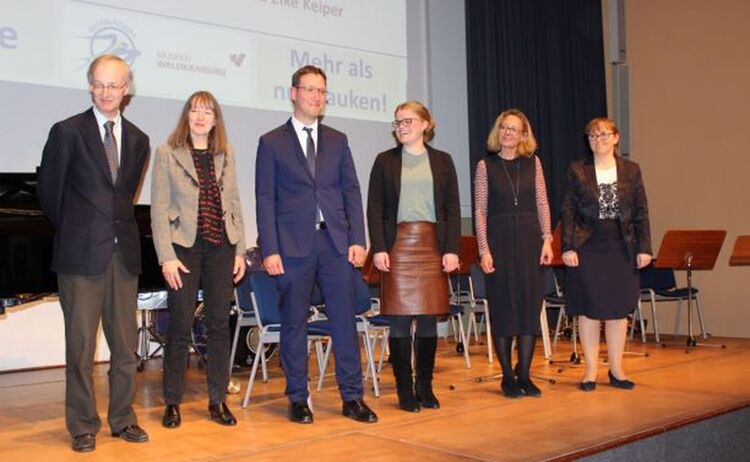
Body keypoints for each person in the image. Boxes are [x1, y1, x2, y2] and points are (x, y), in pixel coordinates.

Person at [38, 54, 150, 452]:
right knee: (81, 348)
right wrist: (78, 232)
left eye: (114, 85)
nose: (106, 92)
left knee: (125, 348)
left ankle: (123, 419)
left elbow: (126, 195)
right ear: (90, 86)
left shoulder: (138, 139)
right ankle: (83, 424)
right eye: (99, 84)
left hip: (124, 258)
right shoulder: (67, 132)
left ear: (126, 89)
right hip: (80, 257)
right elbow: (50, 194)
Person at [255, 65, 377, 424]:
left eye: (321, 91)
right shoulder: (271, 141)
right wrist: (270, 249)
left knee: (344, 321)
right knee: (294, 323)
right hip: (291, 246)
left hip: (335, 243)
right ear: (293, 93)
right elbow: (264, 199)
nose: (316, 96)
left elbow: (351, 190)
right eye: (309, 89)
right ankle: (297, 397)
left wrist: (358, 238)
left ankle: (352, 397)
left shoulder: (338, 139)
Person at [150, 91, 247, 428]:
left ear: (216, 119)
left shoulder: (225, 153)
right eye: (194, 110)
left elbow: (234, 203)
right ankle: (172, 402)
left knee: (220, 324)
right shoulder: (167, 153)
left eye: (207, 111)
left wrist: (239, 250)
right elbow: (159, 211)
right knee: (179, 325)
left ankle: (217, 400)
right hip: (183, 249)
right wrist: (166, 257)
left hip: (222, 247)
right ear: (186, 116)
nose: (200, 117)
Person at [367, 101, 460, 412]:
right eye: (397, 122)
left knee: (429, 320)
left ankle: (425, 386)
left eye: (407, 121)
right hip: (398, 246)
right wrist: (379, 247)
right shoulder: (385, 161)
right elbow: (375, 209)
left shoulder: (443, 161)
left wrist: (451, 250)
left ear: (425, 124)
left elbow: (451, 209)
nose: (401, 126)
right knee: (400, 321)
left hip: (432, 244)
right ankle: (405, 390)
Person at [561, 117, 652, 391]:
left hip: (621, 245)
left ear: (616, 138)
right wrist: (567, 246)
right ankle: (590, 371)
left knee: (617, 310)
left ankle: (617, 369)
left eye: (602, 135)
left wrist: (645, 248)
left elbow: (641, 212)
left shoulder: (631, 170)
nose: (597, 140)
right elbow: (568, 210)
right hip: (588, 245)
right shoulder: (577, 170)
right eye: (591, 136)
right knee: (589, 309)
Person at [474, 109, 553, 398]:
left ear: (523, 135)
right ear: (499, 132)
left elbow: (543, 203)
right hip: (500, 243)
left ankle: (525, 374)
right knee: (504, 308)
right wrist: (484, 249)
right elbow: (480, 211)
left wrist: (547, 239)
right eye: (504, 128)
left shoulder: (534, 164)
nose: (508, 133)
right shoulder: (486, 166)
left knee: (530, 308)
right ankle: (508, 376)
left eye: (514, 129)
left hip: (531, 242)